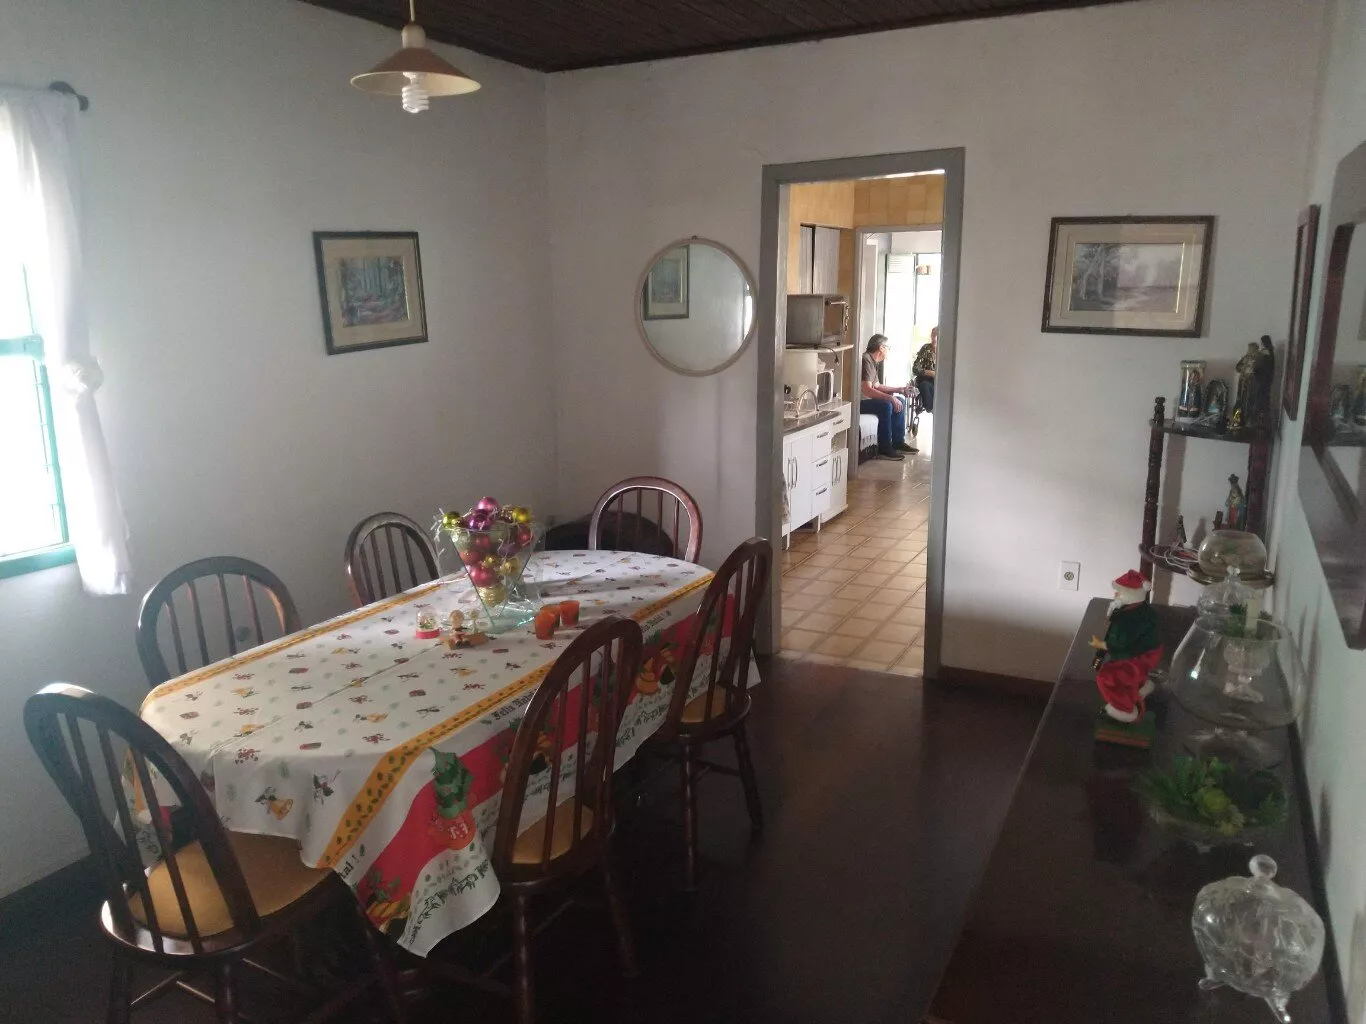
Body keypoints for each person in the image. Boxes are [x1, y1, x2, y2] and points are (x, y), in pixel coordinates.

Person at [860, 334, 917, 459]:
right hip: (860, 402)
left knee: (900, 400)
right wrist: (890, 397)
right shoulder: (866, 360)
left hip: (868, 399)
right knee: (887, 406)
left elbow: (877, 386)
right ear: (881, 348)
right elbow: (867, 389)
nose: (888, 351)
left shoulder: (872, 361)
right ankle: (884, 449)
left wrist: (899, 390)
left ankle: (898, 443)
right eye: (887, 348)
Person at [913, 327, 938, 414]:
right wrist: (930, 373)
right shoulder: (926, 348)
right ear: (931, 336)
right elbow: (915, 368)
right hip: (926, 381)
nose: (935, 338)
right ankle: (932, 409)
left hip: (939, 383)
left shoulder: (946, 351)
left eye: (938, 335)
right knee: (925, 386)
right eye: (934, 335)